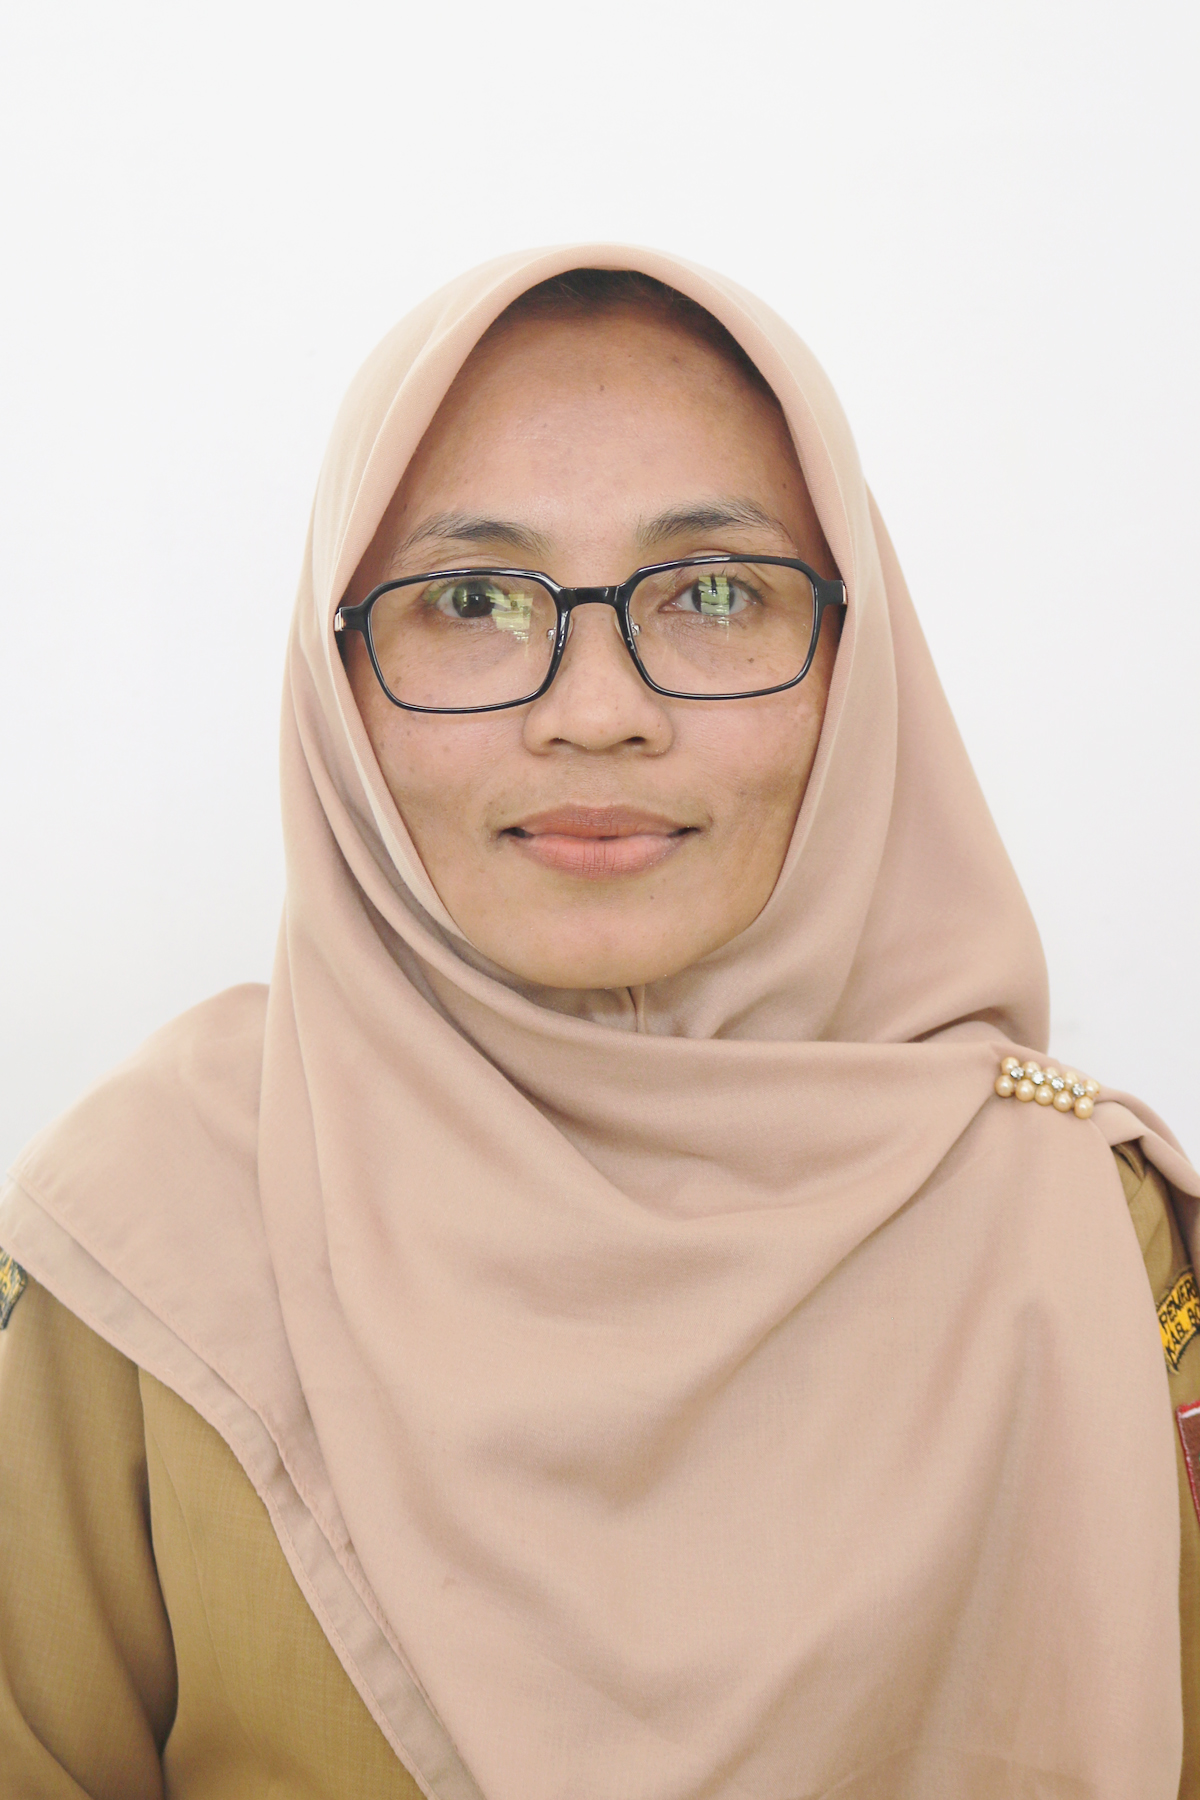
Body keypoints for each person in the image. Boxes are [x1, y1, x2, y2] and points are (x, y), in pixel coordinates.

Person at [1, 248, 1197, 1800]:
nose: (595, 710)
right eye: (472, 602)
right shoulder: (149, 1233)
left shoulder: (1082, 1234)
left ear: (859, 664)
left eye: (713, 594)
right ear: (337, 682)